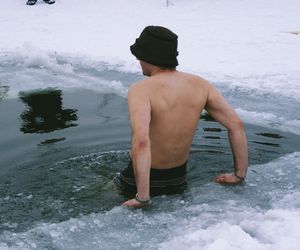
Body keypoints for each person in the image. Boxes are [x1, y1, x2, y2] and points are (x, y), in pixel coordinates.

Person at [114, 26, 248, 208]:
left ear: (148, 56)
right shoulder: (201, 85)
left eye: (139, 55)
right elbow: (236, 125)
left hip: (139, 183)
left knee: (104, 192)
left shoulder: (141, 89)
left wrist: (142, 197)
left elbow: (142, 142)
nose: (138, 60)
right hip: (178, 179)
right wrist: (239, 175)